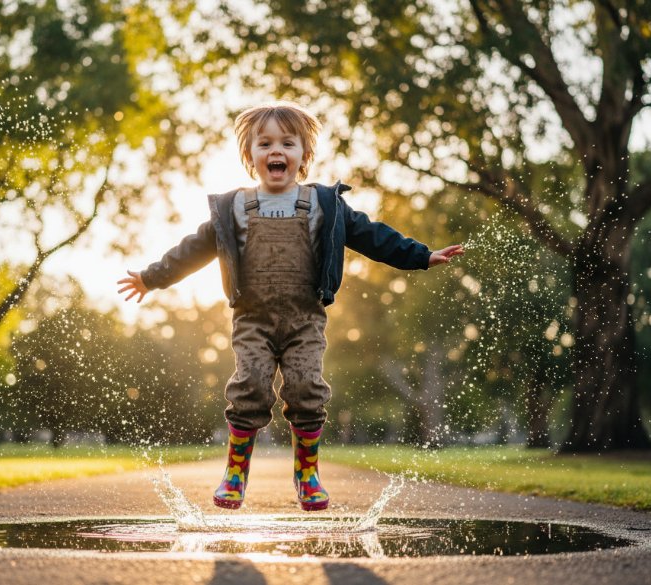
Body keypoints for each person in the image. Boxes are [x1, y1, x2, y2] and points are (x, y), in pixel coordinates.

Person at [117, 101, 463, 511]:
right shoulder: (234, 208)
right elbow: (192, 249)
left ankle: (307, 474)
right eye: (264, 143)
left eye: (287, 143)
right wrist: (152, 277)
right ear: (250, 156)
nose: (275, 150)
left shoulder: (323, 204)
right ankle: (235, 472)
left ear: (303, 156)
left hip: (305, 321)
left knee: (306, 390)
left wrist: (420, 255)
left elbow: (373, 235)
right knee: (250, 387)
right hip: (252, 321)